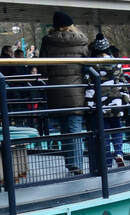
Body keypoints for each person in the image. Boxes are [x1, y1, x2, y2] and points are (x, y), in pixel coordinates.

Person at [39, 12, 90, 175]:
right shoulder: (81, 40)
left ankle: (70, 163)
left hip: (56, 90)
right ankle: (77, 164)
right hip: (77, 90)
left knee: (63, 128)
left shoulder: (48, 41)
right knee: (75, 127)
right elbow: (87, 65)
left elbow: (42, 68)